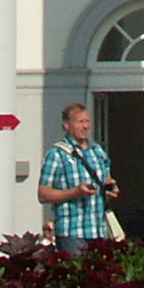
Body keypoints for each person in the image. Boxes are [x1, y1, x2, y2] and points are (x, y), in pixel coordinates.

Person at [36, 102, 119, 252]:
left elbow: (106, 179)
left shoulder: (97, 151)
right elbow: (43, 195)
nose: (86, 126)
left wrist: (110, 188)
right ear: (67, 125)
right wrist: (75, 192)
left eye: (87, 121)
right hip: (71, 233)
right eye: (80, 122)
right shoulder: (56, 154)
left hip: (98, 231)